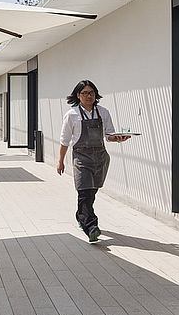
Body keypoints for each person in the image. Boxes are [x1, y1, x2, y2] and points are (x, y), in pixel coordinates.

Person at [56, 80, 131, 243]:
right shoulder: (72, 115)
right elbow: (64, 140)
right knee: (84, 192)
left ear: (95, 95)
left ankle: (81, 215)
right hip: (81, 159)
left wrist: (118, 138)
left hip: (100, 158)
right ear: (78, 95)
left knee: (91, 192)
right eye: (84, 93)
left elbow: (109, 135)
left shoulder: (103, 112)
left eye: (91, 93)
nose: (88, 96)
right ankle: (91, 227)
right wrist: (60, 161)